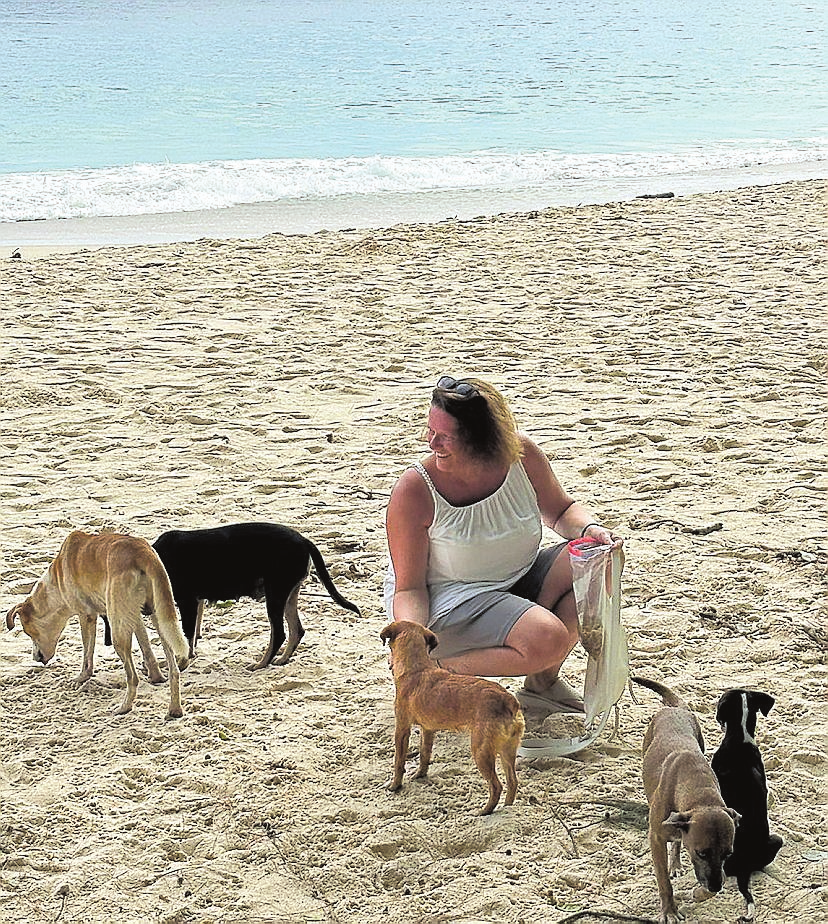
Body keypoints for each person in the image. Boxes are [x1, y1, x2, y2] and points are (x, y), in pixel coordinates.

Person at [383, 375, 623, 715]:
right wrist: (414, 642)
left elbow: (561, 511)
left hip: (514, 578)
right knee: (547, 638)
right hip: (451, 606)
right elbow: (408, 588)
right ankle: (438, 674)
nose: (431, 443)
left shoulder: (521, 456)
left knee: (600, 563)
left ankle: (542, 684)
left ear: (481, 441)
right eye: (430, 431)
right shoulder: (415, 489)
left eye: (444, 437)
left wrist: (592, 528)